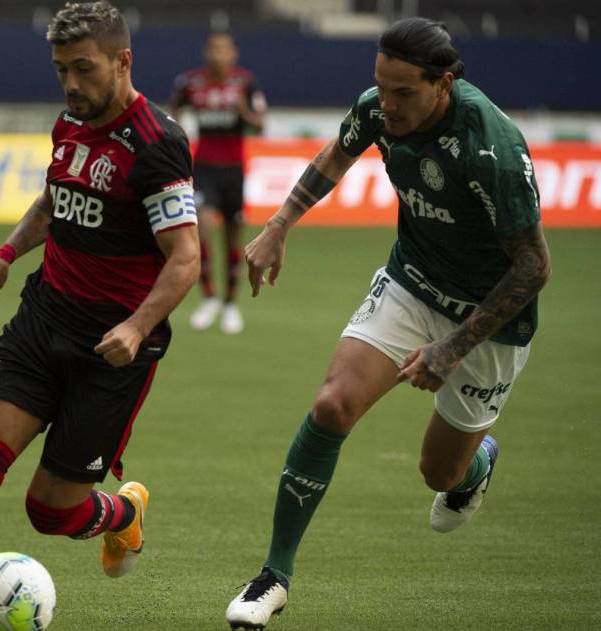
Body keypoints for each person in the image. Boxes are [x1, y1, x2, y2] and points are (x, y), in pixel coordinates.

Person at [225, 18, 552, 628]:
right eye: (381, 87)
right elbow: (336, 155)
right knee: (331, 407)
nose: (388, 104)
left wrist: (452, 348)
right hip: (413, 281)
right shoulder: (378, 108)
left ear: (444, 84)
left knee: (439, 473)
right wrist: (279, 224)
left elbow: (534, 268)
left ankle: (476, 464)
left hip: (491, 319)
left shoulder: (492, 150)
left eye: (404, 92)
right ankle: (273, 577)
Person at [0, 3, 200, 630]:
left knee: (51, 513)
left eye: (84, 68)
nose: (71, 83)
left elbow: (185, 259)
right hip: (43, 321)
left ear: (123, 61)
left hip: (111, 351)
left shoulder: (158, 146)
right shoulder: (69, 122)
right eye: (61, 69)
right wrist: (6, 254)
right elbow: (55, 199)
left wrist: (136, 326)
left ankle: (121, 515)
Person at [169, 31, 266, 334]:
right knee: (202, 228)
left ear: (233, 54)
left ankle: (230, 304)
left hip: (234, 171)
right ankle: (209, 298)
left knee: (233, 237)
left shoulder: (245, 83)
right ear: (206, 52)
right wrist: (178, 136)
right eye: (214, 49)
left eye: (224, 49)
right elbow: (174, 111)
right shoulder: (191, 82)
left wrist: (243, 112)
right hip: (204, 169)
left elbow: (260, 125)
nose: (218, 54)